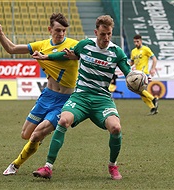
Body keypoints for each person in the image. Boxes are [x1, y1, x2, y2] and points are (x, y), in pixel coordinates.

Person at [31, 15, 132, 180]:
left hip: (102, 99)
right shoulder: (85, 45)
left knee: (116, 128)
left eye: (109, 34)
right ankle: (47, 167)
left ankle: (112, 166)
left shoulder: (116, 52)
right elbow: (67, 54)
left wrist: (138, 79)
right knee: (63, 121)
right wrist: (46, 57)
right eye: (102, 34)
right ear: (96, 32)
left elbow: (129, 74)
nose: (106, 38)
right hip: (80, 97)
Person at [0, 13, 79, 175]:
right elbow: (12, 49)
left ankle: (15, 165)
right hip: (47, 96)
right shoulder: (41, 45)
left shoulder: (73, 45)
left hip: (65, 100)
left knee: (36, 134)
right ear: (50, 29)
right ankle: (39, 137)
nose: (61, 34)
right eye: (58, 30)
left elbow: (77, 55)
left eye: (64, 30)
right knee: (26, 134)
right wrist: (0, 34)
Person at [130, 34, 159, 115]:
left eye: (137, 41)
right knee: (141, 93)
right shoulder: (133, 51)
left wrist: (153, 69)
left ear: (141, 41)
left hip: (144, 74)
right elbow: (132, 62)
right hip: (136, 74)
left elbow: (154, 59)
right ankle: (153, 108)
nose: (136, 43)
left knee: (140, 90)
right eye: (134, 42)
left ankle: (153, 99)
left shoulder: (146, 49)